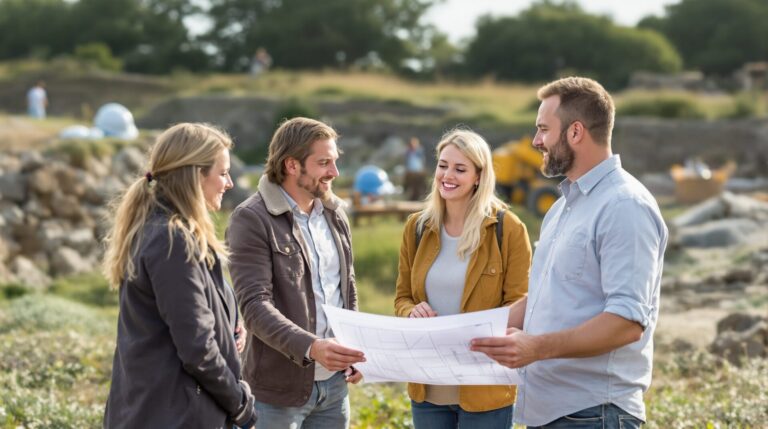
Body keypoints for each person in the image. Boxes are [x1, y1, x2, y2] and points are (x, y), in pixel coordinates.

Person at [471, 77, 668, 428]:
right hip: (550, 411)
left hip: (595, 413)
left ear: (575, 132)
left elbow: (626, 323)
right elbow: (544, 298)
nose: (535, 141)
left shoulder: (625, 206)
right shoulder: (561, 209)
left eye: (543, 129)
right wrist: (466, 331)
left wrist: (536, 348)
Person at [102, 123, 257, 428]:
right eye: (223, 173)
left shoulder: (163, 231)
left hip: (162, 409)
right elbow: (197, 347)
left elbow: (195, 311)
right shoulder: (172, 240)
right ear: (196, 175)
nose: (228, 182)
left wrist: (231, 323)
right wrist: (241, 405)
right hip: (174, 415)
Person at [227, 117, 365, 429]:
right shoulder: (251, 219)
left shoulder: (335, 215)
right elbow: (254, 306)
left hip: (334, 388)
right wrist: (312, 348)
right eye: (324, 163)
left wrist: (353, 347)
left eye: (334, 161)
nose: (334, 172)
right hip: (275, 393)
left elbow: (347, 289)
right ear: (292, 165)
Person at [394, 129, 532, 429]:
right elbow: (402, 298)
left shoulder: (507, 228)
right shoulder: (416, 227)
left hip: (485, 385)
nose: (448, 175)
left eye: (460, 168)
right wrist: (410, 311)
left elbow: (521, 303)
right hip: (427, 384)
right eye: (443, 165)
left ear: (479, 176)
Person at [403, 136, 426, 200]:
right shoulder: (408, 152)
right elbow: (406, 161)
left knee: (418, 185)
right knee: (411, 185)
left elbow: (422, 160)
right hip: (411, 171)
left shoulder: (419, 151)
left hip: (418, 171)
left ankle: (418, 197)